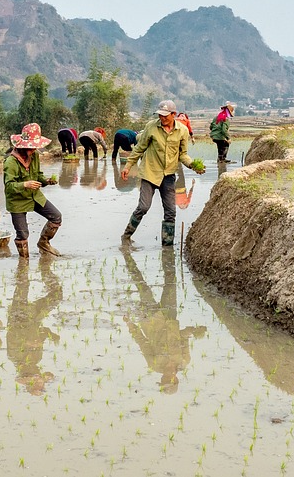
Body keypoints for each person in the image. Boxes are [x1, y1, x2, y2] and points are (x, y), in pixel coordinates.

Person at [122, 247, 207, 393]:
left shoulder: (154, 365)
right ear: (176, 379)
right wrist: (193, 331)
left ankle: (127, 257)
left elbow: (142, 342)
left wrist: (130, 324)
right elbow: (183, 337)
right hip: (170, 316)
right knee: (170, 283)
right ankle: (168, 254)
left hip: (151, 319)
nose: (164, 379)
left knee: (143, 287)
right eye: (167, 381)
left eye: (163, 381)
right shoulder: (184, 361)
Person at [120, 100, 191, 246]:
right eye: (160, 115)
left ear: (173, 114)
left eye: (165, 116)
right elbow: (139, 148)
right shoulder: (151, 127)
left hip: (168, 175)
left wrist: (193, 165)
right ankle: (126, 236)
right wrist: (128, 166)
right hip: (149, 173)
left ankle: (167, 247)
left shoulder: (182, 131)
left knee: (170, 212)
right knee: (143, 207)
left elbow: (183, 154)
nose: (162, 118)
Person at [4, 123, 63, 258]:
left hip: (34, 196)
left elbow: (37, 174)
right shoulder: (11, 162)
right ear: (23, 145)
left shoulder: (34, 155)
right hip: (17, 201)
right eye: (31, 146)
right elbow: (9, 186)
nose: (34, 149)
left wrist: (46, 181)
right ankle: (24, 264)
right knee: (23, 234)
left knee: (56, 216)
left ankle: (44, 243)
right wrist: (25, 184)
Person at [7, 261, 62, 396]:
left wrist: (28, 342)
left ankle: (24, 265)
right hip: (34, 318)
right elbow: (39, 335)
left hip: (19, 316)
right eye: (40, 384)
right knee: (57, 296)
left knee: (23, 285)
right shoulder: (36, 359)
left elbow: (13, 334)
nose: (39, 379)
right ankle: (45, 269)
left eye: (38, 384)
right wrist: (49, 335)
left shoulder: (15, 356)